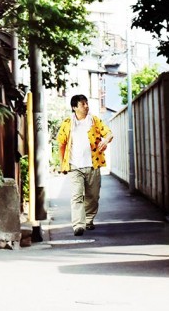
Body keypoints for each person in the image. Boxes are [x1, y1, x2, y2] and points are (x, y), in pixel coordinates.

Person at [56, 94, 113, 236]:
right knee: (76, 196)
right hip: (75, 166)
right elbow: (61, 144)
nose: (86, 106)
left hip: (93, 165)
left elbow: (109, 133)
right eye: (83, 104)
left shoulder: (94, 121)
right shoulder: (67, 123)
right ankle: (78, 225)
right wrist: (62, 164)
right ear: (74, 107)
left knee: (93, 196)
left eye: (87, 103)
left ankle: (88, 220)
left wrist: (106, 140)